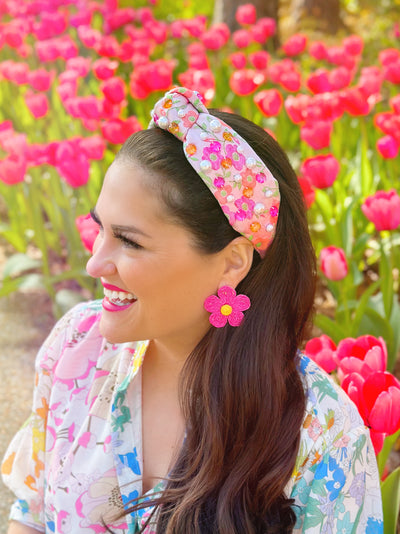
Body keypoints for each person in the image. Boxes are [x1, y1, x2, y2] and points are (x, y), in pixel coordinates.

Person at [2, 87, 383, 534]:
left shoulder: (321, 435)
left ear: (230, 263)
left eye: (130, 242)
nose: (94, 263)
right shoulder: (77, 348)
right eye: (99, 228)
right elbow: (30, 511)